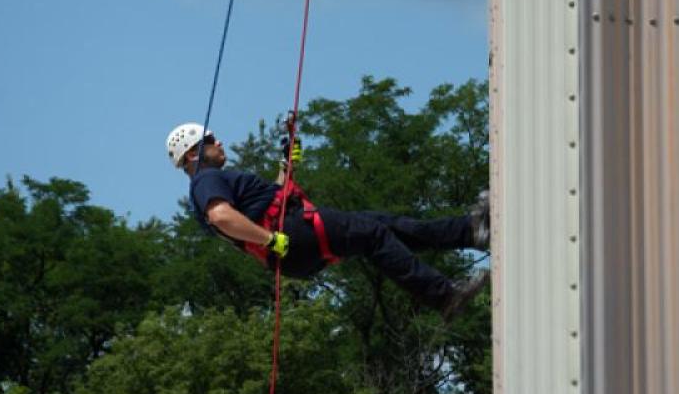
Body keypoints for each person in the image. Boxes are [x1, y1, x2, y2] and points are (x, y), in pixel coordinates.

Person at [166, 122, 491, 322]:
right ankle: (444, 296)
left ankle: (469, 230)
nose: (219, 143)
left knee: (383, 226)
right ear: (194, 154)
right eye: (211, 140)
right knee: (374, 233)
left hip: (291, 238)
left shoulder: (210, 180)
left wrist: (287, 162)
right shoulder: (205, 181)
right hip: (291, 235)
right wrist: (269, 239)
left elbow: (272, 199)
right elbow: (221, 216)